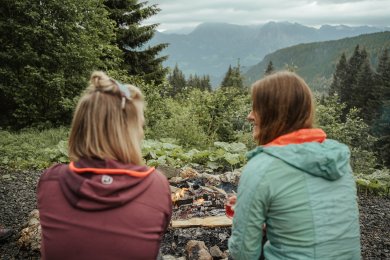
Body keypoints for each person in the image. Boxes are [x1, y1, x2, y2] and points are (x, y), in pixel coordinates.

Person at [37, 71, 172, 260]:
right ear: (129, 134)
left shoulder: (51, 180)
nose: (142, 133)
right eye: (140, 126)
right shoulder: (156, 184)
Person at [228, 71, 361, 259]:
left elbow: (243, 253)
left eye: (256, 107)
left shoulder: (261, 167)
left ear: (273, 113)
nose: (250, 116)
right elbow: (320, 227)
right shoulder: (339, 161)